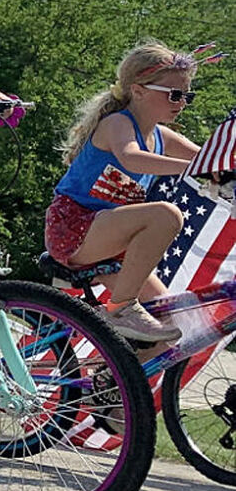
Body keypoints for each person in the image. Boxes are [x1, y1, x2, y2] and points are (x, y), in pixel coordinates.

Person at [45, 40, 204, 343]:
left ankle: (116, 381)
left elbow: (209, 160)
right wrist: (186, 168)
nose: (181, 102)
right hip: (74, 228)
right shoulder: (117, 123)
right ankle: (120, 308)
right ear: (139, 90)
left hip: (110, 243)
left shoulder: (161, 136)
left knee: (178, 322)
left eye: (187, 95)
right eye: (174, 94)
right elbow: (130, 157)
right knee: (165, 215)